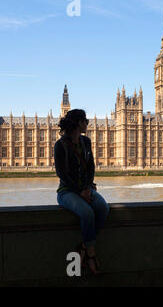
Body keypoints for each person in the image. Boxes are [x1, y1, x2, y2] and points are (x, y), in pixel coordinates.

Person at [54, 109, 109, 275]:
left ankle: (84, 246)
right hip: (67, 191)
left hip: (86, 188)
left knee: (103, 208)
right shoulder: (60, 145)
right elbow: (61, 173)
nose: (88, 123)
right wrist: (79, 191)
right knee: (87, 213)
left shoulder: (86, 142)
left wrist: (87, 186)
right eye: (85, 120)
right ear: (78, 123)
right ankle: (91, 255)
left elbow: (91, 166)